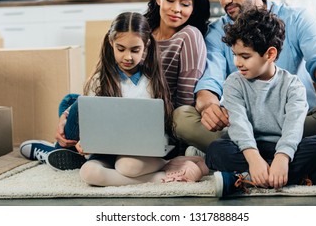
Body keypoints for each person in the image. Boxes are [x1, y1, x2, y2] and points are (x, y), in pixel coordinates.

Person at [174, 0, 316, 165]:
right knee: (181, 118)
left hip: (293, 121)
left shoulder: (297, 19)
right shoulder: (216, 31)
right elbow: (209, 82)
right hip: (240, 124)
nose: (226, 0)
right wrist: (209, 107)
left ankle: (227, 157)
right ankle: (303, 157)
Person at [20, 0, 210, 164]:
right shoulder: (141, 29)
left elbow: (184, 104)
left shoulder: (189, 35)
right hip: (122, 99)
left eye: (185, 3)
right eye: (170, 0)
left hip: (154, 114)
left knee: (79, 107)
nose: (176, 9)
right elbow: (107, 77)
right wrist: (68, 115)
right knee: (70, 101)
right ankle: (67, 148)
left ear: (194, 7)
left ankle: (66, 152)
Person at [22, 12, 209, 186]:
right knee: (88, 172)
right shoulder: (99, 80)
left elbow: (157, 131)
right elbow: (90, 122)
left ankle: (169, 164)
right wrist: (85, 141)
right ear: (111, 43)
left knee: (128, 166)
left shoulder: (152, 82)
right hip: (107, 152)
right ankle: (163, 176)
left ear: (146, 46)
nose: (127, 57)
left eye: (135, 50)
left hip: (139, 154)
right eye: (121, 49)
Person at [207, 6, 316, 197]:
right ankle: (305, 177)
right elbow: (238, 124)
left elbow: (293, 127)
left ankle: (242, 180)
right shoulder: (233, 82)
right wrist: (253, 159)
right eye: (235, 55)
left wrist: (282, 157)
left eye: (245, 56)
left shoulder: (293, 85)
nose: (237, 62)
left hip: (283, 148)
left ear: (270, 54)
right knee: (215, 150)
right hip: (248, 148)